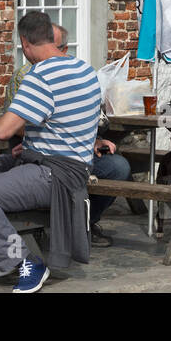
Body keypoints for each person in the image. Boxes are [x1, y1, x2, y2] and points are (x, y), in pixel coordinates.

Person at [0, 11, 101, 293]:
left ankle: (24, 262)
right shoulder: (85, 69)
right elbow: (64, 122)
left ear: (25, 42)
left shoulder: (41, 75)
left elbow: (2, 131)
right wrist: (35, 145)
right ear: (50, 36)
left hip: (52, 175)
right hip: (75, 169)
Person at [54, 23, 131, 248]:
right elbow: (17, 126)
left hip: (81, 152)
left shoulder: (79, 75)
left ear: (65, 49)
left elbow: (85, 119)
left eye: (57, 48)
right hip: (49, 156)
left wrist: (94, 140)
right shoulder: (29, 77)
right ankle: (62, 226)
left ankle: (86, 223)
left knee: (119, 167)